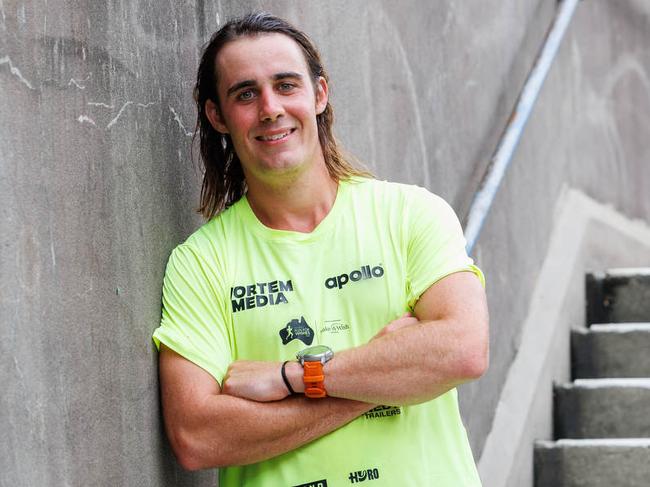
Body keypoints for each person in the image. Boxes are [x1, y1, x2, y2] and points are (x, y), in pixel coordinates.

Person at [153, 11, 489, 487]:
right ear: (217, 116)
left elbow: (463, 350)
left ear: (319, 94)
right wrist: (381, 379)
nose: (270, 108)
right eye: (245, 94)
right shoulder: (201, 263)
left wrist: (288, 378)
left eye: (286, 85)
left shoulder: (410, 214)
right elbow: (197, 435)